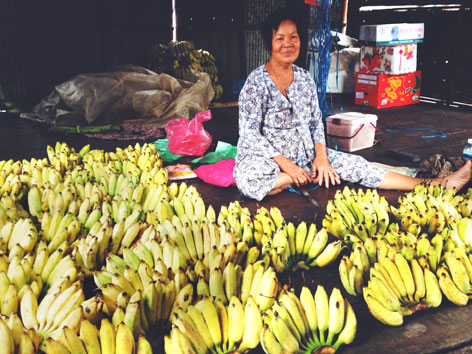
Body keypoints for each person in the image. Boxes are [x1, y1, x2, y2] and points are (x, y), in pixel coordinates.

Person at [233, 7, 471, 201]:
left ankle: (435, 184)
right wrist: (287, 166)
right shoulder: (256, 83)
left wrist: (322, 157)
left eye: (293, 37)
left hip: (306, 156)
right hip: (270, 160)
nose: (288, 44)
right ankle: (303, 176)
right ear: (269, 43)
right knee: (247, 180)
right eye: (280, 38)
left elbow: (316, 122)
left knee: (360, 166)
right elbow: (249, 134)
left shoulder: (304, 78)